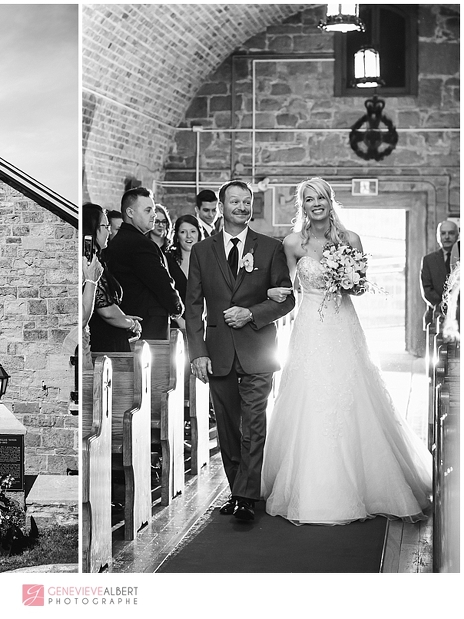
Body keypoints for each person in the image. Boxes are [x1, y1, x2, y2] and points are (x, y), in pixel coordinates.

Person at [262, 177, 432, 525]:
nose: (316, 204)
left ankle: (367, 484)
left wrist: (347, 277)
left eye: (321, 197)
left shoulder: (350, 239)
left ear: (330, 200)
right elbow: (285, 286)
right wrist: (274, 295)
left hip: (343, 324)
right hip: (309, 326)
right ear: (303, 206)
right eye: (309, 199)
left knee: (351, 393)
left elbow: (359, 288)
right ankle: (308, 486)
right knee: (309, 394)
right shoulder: (293, 243)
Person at [185, 180, 295, 522]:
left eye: (247, 202)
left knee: (255, 424)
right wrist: (198, 353)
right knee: (229, 429)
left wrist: (252, 313)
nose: (242, 207)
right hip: (218, 352)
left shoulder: (270, 248)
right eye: (235, 201)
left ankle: (246, 496)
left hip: (259, 349)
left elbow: (286, 298)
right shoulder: (204, 251)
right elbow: (192, 306)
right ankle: (238, 490)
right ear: (221, 206)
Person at [105, 187, 183, 340]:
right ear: (130, 213)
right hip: (147, 325)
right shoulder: (140, 244)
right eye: (148, 210)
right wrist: (177, 306)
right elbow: (160, 281)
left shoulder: (120, 241)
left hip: (133, 322)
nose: (153, 214)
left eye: (153, 209)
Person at [83, 202, 142, 352]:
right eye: (105, 227)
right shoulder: (90, 263)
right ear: (92, 229)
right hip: (104, 340)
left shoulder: (98, 259)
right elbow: (106, 311)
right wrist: (130, 323)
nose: (109, 232)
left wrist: (126, 318)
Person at [165, 214, 203, 329]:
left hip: (201, 324)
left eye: (192, 231)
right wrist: (180, 321)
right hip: (176, 324)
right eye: (183, 232)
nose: (188, 236)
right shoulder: (168, 259)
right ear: (177, 235)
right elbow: (163, 293)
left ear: (199, 234)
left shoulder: (208, 260)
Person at [420, 220, 459, 328]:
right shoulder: (429, 260)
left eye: (451, 233)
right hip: (435, 315)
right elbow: (427, 288)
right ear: (438, 236)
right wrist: (443, 304)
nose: (447, 237)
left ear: (457, 235)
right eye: (443, 233)